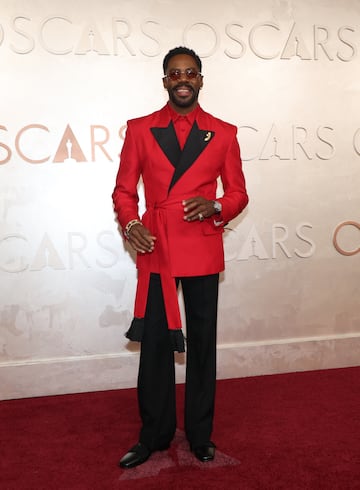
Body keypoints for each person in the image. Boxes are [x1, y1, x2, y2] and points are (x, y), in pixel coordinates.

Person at [112, 46, 248, 469]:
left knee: (203, 345)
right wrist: (131, 223)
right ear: (165, 80)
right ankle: (153, 434)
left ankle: (201, 434)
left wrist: (218, 207)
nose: (183, 79)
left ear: (201, 79)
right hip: (157, 247)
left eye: (190, 72)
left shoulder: (223, 132)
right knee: (154, 344)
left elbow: (240, 192)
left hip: (202, 246)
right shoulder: (139, 129)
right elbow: (123, 191)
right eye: (175, 73)